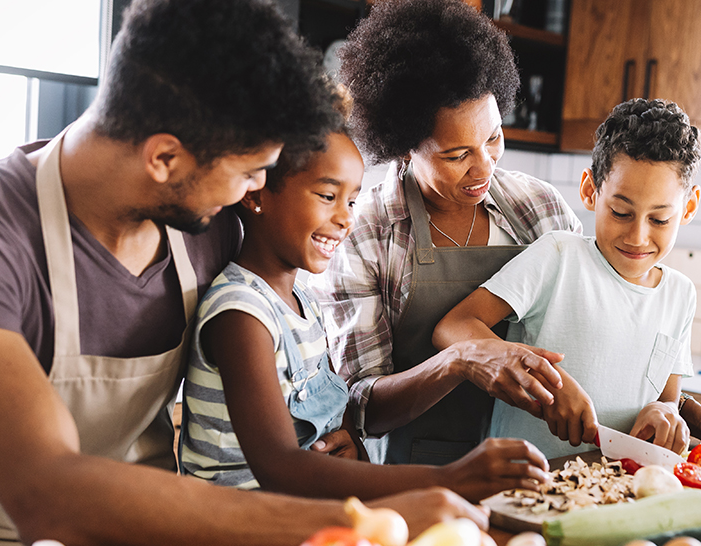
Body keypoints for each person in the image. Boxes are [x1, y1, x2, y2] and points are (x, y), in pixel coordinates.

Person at [0, 0, 484, 546]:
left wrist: (327, 440)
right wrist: (357, 520)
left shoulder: (210, 228)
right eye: (251, 172)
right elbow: (50, 496)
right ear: (165, 157)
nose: (253, 192)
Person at [179, 124, 549, 501]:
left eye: (351, 201)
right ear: (255, 194)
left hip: (295, 513)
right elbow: (280, 468)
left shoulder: (301, 302)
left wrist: (349, 443)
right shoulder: (241, 314)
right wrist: (449, 480)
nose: (345, 219)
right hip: (237, 527)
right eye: (327, 196)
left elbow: (327, 427)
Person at [313, 0, 584, 467]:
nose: (485, 167)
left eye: (494, 138)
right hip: (416, 474)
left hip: (539, 466)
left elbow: (600, 325)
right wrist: (462, 360)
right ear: (405, 144)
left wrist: (675, 403)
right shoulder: (367, 234)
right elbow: (362, 408)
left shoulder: (539, 209)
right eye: (457, 155)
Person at [434, 99, 701, 458]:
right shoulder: (558, 257)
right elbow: (453, 327)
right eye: (621, 212)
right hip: (523, 484)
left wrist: (663, 413)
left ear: (688, 208)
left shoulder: (680, 295)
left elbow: (665, 399)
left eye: (659, 219)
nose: (638, 236)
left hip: (615, 492)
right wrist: (542, 377)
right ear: (590, 191)